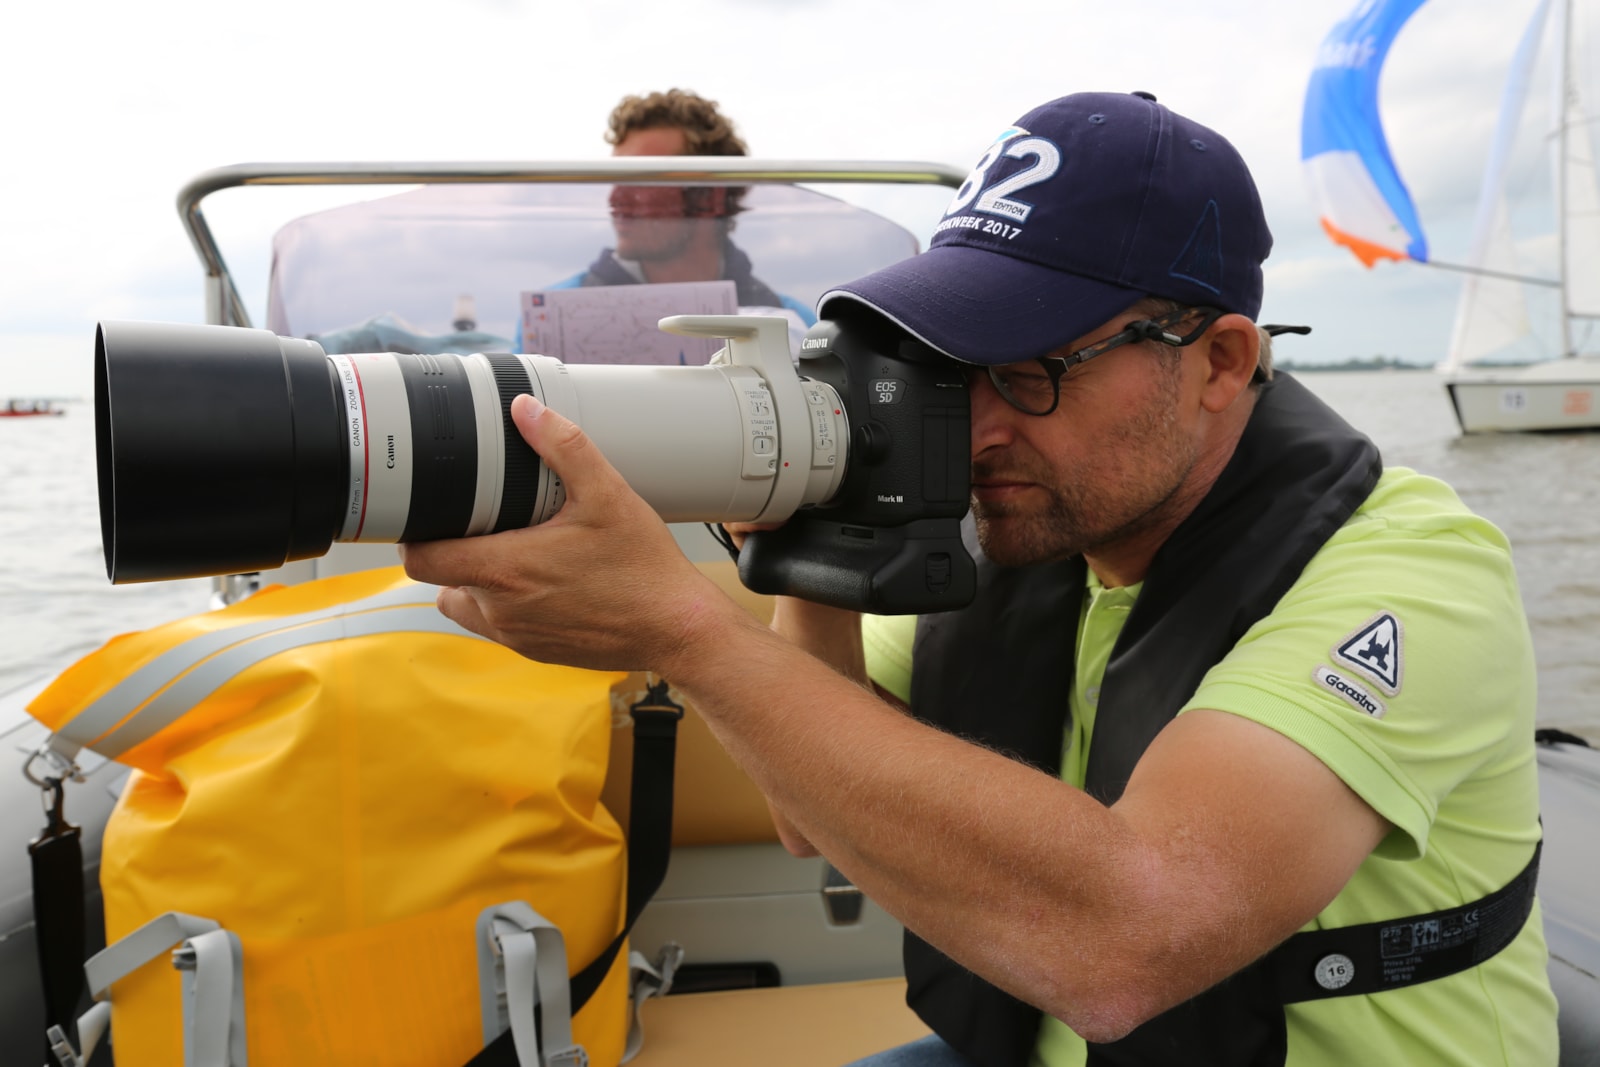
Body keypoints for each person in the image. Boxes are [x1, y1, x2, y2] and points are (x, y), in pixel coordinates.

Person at [404, 90, 1557, 1066]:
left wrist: (683, 630)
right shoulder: (1032, 530)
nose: (980, 426)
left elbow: (1124, 943)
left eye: (1033, 372)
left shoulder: (1411, 570)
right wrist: (809, 536)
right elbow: (809, 816)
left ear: (1217, 361)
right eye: (953, 369)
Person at [517, 88, 813, 352]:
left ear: (709, 197)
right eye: (614, 179)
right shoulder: (547, 322)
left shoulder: (794, 327)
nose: (615, 199)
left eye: (639, 180)